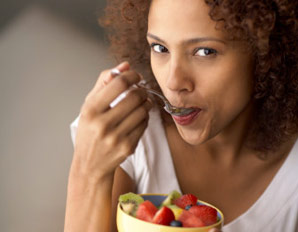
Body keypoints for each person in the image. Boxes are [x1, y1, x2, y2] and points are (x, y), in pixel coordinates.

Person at [64, 0, 298, 231]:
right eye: (160, 48)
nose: (173, 82)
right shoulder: (128, 132)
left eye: (205, 52)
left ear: (267, 52)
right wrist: (88, 171)